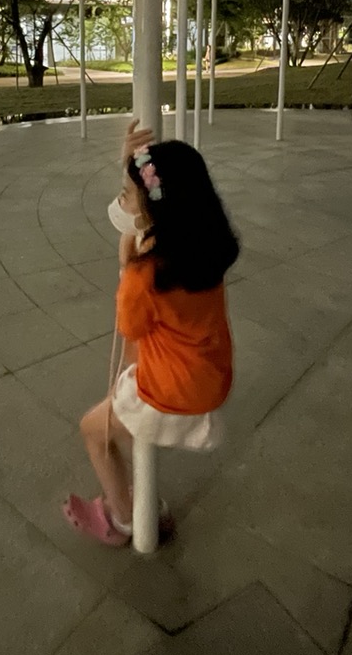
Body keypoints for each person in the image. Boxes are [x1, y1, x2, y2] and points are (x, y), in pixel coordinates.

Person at [62, 119, 240, 546]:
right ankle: (137, 498)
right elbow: (150, 206)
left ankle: (123, 516)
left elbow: (131, 331)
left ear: (151, 211)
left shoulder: (144, 277)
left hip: (170, 393)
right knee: (123, 401)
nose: (121, 202)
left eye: (126, 195)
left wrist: (127, 269)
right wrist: (131, 162)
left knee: (93, 430)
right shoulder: (203, 248)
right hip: (210, 380)